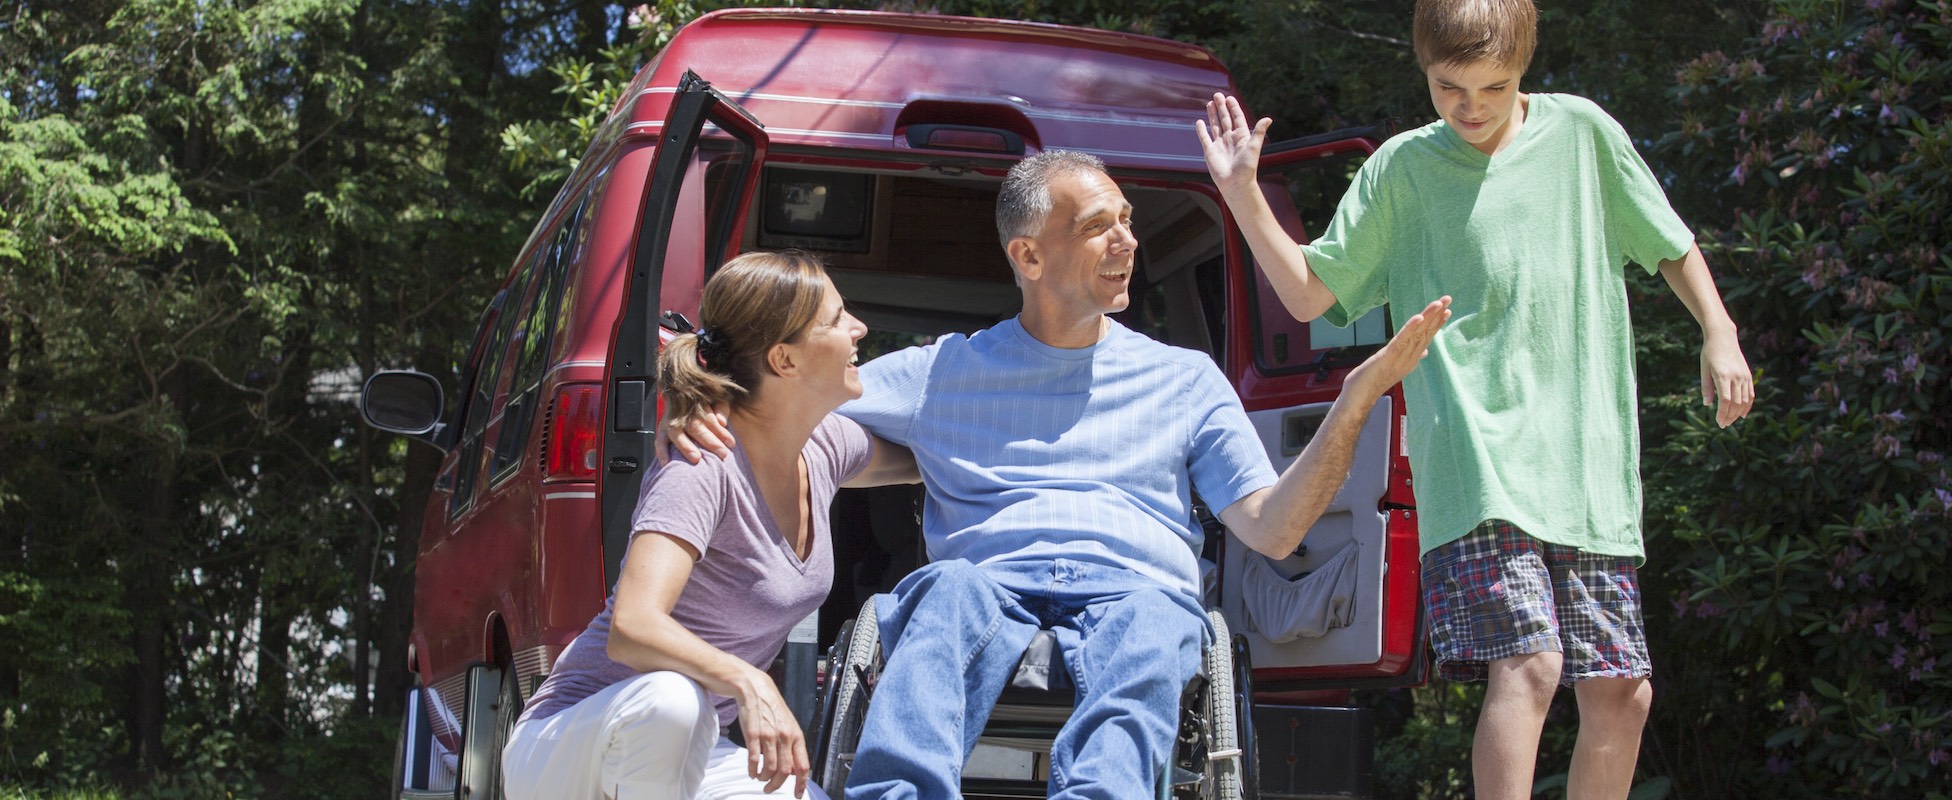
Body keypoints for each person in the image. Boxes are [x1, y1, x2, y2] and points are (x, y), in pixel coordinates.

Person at [671, 150, 1452, 799]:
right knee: (942, 594)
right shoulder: (942, 372)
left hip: (1134, 588)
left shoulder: (1185, 380)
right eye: (1097, 226)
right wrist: (707, 409)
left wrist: (1353, 404)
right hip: (985, 581)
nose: (1126, 241)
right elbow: (790, 400)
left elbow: (1275, 531)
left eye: (1128, 221)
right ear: (1029, 255)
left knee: (1152, 622)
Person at [1195, 1, 1756, 797]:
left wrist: (1719, 332)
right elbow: (1309, 295)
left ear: (1524, 67)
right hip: (1476, 462)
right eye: (1448, 86)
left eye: (1492, 86)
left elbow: (1671, 243)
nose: (1470, 106)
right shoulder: (1402, 169)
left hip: (1586, 466)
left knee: (1623, 695)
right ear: (1423, 67)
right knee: (1531, 666)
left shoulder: (1584, 136)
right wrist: (1244, 195)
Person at [503, 250, 918, 800]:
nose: (859, 328)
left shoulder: (824, 449)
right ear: (785, 360)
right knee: (675, 700)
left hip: (688, 753)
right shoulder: (702, 465)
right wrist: (747, 680)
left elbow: (927, 465)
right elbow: (632, 626)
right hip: (570, 748)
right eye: (838, 319)